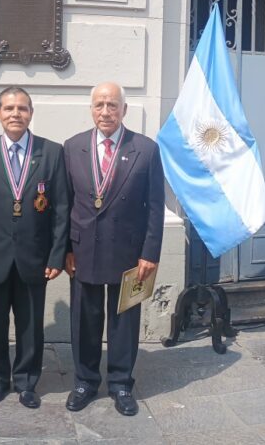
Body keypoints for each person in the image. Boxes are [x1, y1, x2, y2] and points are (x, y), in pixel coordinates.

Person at [0, 87, 69, 409]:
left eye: (22, 108)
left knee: (30, 325)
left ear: (31, 113)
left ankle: (26, 382)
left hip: (35, 259)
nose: (15, 114)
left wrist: (57, 255)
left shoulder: (51, 152)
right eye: (8, 108)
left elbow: (61, 209)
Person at [63, 82, 164, 417]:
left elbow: (155, 206)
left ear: (125, 110)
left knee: (125, 321)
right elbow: (65, 204)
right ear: (91, 109)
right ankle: (85, 382)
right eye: (99, 105)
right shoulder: (73, 146)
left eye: (112, 105)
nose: (105, 112)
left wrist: (150, 252)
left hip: (130, 253)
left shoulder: (146, 149)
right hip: (84, 251)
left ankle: (121, 383)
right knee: (85, 320)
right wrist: (65, 250)